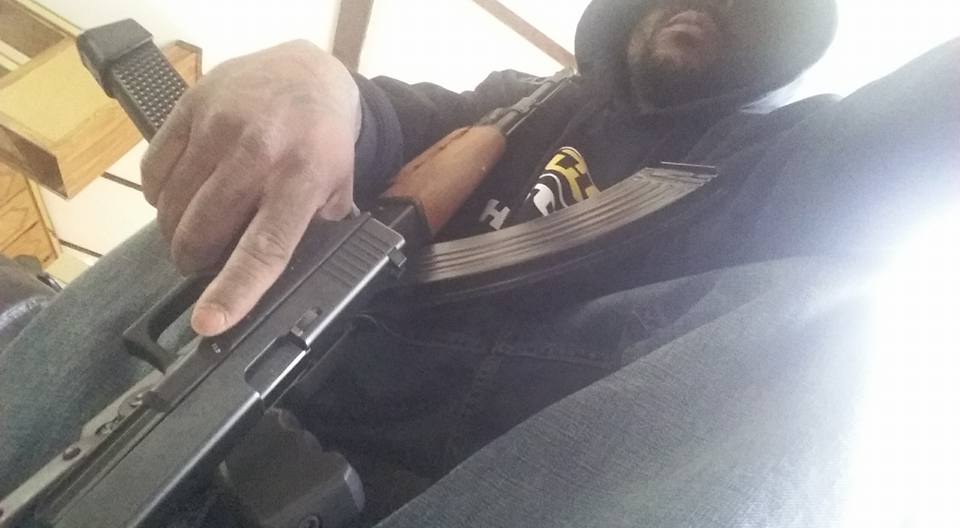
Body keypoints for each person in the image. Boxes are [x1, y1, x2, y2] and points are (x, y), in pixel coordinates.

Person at [1, 0, 957, 526]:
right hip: (185, 404)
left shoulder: (793, 167)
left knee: (839, 310)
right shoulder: (506, 100)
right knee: (272, 175)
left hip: (468, 482)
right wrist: (308, 81)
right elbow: (367, 117)